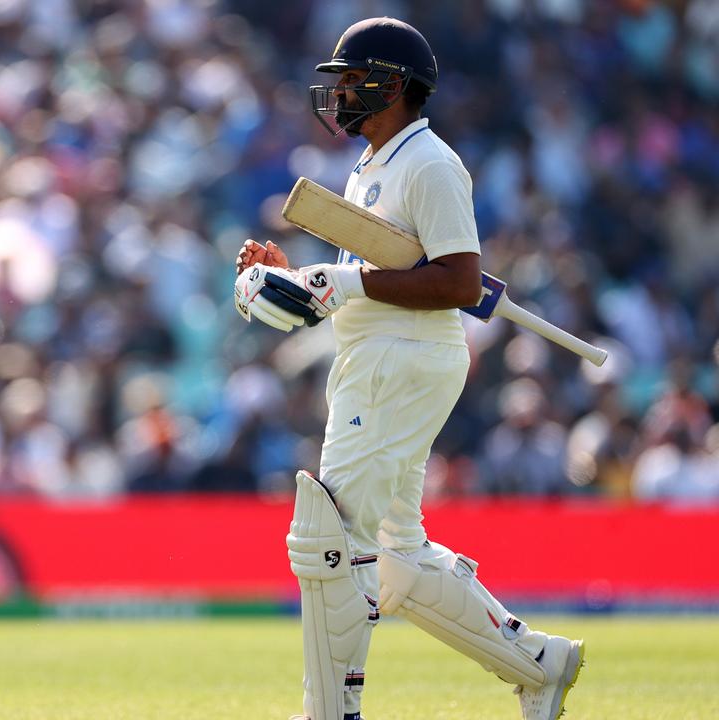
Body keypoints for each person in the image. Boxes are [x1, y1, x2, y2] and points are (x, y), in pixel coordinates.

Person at [232, 18, 584, 720]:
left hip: (404, 361)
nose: (336, 94)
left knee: (328, 537)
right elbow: (373, 277)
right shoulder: (371, 167)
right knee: (395, 555)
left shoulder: (430, 163)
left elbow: (457, 281)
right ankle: (539, 664)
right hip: (376, 357)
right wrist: (299, 278)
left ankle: (330, 712)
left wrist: (346, 285)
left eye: (351, 79)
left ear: (392, 85)